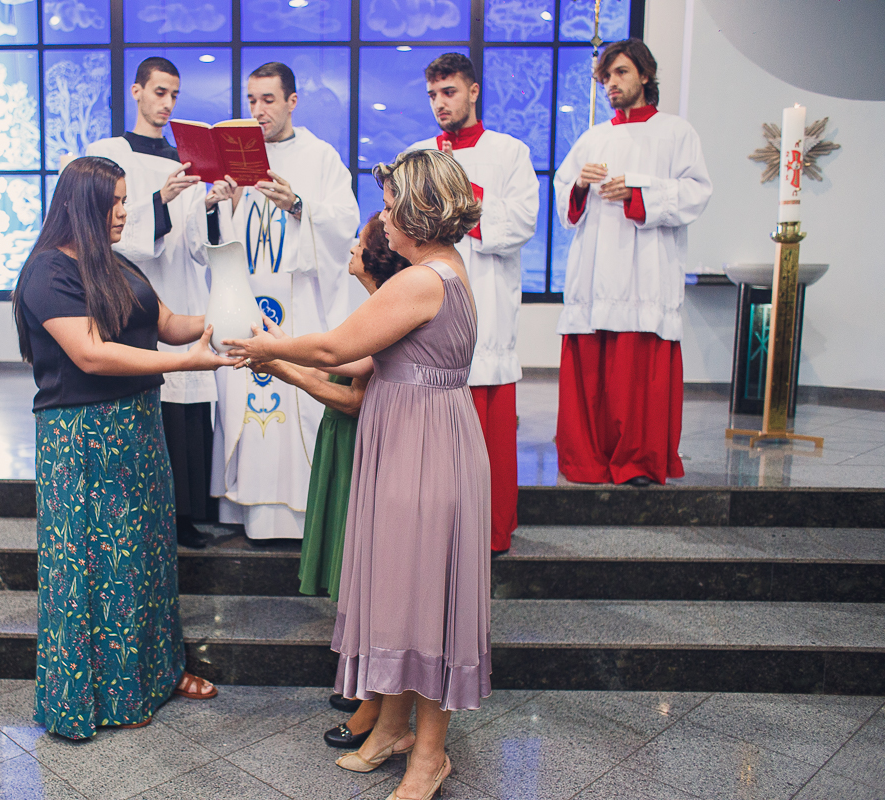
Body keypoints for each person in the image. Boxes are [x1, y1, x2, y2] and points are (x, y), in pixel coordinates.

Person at [226, 149, 490, 800]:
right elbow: (355, 377)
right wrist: (278, 363)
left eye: (393, 202)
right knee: (401, 590)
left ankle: (430, 756)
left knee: (427, 597)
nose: (384, 214)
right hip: (410, 439)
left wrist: (267, 344)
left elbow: (333, 348)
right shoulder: (433, 273)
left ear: (420, 213)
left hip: (424, 448)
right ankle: (393, 728)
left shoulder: (424, 281)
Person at [13, 156, 232, 738]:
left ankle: (157, 676)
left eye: (124, 199)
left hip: (137, 426)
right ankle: (102, 694)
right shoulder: (46, 273)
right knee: (96, 565)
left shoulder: (117, 262)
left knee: (148, 558)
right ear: (81, 205)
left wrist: (227, 318)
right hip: (81, 436)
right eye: (113, 202)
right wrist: (188, 362)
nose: (124, 211)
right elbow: (92, 354)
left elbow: (168, 322)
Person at [253, 212, 408, 750]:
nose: (349, 252)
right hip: (348, 444)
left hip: (366, 444)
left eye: (357, 245)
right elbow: (329, 362)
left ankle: (374, 701)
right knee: (357, 572)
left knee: (368, 574)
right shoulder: (373, 304)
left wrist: (280, 360)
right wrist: (281, 351)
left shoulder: (392, 307)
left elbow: (350, 393)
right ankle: (366, 687)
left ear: (375, 256)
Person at [206, 61, 360, 541]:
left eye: (268, 100)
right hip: (245, 297)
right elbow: (213, 241)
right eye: (251, 101)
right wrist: (222, 205)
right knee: (244, 406)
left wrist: (297, 206)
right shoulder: (234, 158)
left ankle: (297, 518)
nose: (258, 111)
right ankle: (245, 510)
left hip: (298, 302)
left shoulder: (321, 157)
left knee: (296, 401)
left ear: (292, 101)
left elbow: (344, 224)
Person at [553, 39, 712, 486]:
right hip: (595, 269)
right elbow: (564, 197)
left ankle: (639, 461)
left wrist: (639, 192)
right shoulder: (593, 137)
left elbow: (696, 192)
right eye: (606, 77)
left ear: (645, 74)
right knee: (594, 372)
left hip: (646, 271)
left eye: (620, 73)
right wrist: (580, 188)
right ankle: (588, 458)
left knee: (637, 374)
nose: (611, 84)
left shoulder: (676, 133)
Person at [408, 52, 539, 555]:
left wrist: (464, 197)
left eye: (450, 92)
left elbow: (523, 221)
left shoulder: (510, 152)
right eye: (433, 95)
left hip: (486, 305)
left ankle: (490, 532)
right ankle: (438, 534)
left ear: (473, 91)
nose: (441, 104)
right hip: (428, 307)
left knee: (488, 438)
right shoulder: (418, 153)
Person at [85, 57, 216, 549]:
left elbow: (199, 248)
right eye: (159, 92)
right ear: (137, 91)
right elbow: (105, 227)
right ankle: (149, 512)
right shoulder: (106, 152)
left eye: (174, 95)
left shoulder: (186, 159)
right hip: (130, 294)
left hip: (180, 290)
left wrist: (208, 204)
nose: (166, 104)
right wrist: (160, 201)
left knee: (186, 405)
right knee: (152, 400)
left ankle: (186, 516)